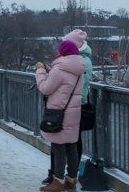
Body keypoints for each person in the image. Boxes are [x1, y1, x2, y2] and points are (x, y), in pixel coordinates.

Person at [36, 40, 86, 191]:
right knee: (71, 146)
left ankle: (58, 182)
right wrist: (52, 71)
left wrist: (40, 71)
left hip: (58, 114)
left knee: (58, 147)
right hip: (73, 114)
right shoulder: (79, 71)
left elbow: (45, 89)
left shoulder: (59, 70)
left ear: (62, 52)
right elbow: (66, 84)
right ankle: (71, 179)